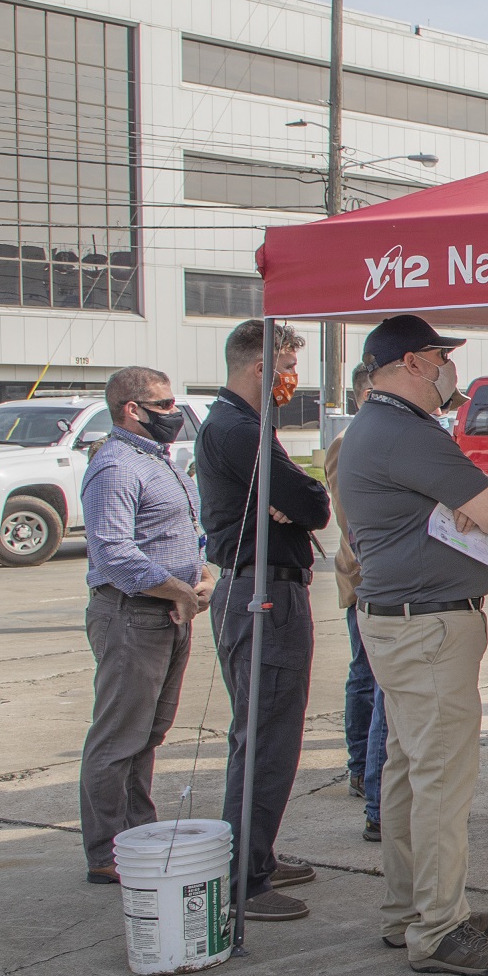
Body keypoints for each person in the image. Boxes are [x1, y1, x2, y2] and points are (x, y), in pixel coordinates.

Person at [345, 315, 488, 975]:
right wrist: (476, 501)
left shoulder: (372, 429)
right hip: (427, 626)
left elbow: (481, 505)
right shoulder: (405, 432)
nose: (447, 371)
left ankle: (413, 910)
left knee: (409, 771)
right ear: (411, 362)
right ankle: (438, 929)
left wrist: (473, 501)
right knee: (440, 782)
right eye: (440, 358)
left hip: (401, 620)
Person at [196, 319, 333, 922]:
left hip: (264, 589)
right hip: (261, 595)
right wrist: (298, 503)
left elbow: (302, 504)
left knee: (268, 733)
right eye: (285, 367)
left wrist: (298, 504)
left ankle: (257, 853)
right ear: (259, 368)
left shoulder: (244, 425)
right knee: (266, 741)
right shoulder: (239, 428)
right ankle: (245, 878)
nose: (290, 380)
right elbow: (313, 503)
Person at [76, 365, 215, 885]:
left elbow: (177, 534)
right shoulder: (115, 467)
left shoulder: (157, 461)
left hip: (168, 611)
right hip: (133, 614)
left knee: (148, 734)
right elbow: (115, 554)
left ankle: (137, 834)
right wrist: (178, 589)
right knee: (119, 737)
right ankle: (107, 849)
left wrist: (198, 575)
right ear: (131, 410)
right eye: (161, 405)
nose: (172, 414)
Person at [324, 366, 389, 845]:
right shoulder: (352, 442)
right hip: (368, 580)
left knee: (373, 678)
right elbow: (353, 521)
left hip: (384, 580)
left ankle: (364, 771)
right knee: (369, 678)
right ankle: (362, 771)